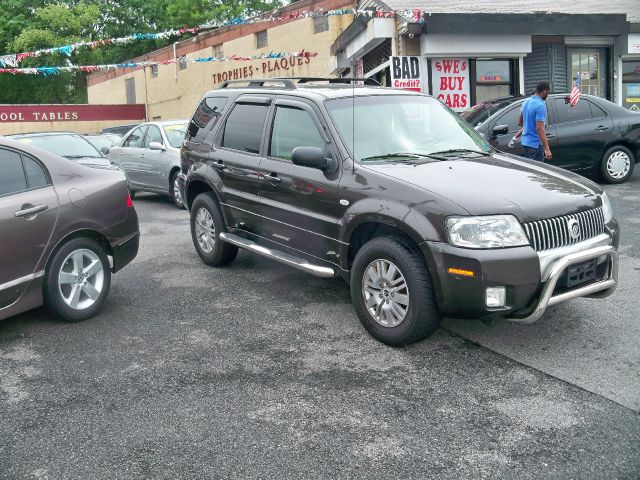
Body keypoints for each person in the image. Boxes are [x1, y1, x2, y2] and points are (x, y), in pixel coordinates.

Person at [518, 81, 552, 161]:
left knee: (530, 169)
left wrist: (529, 127)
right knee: (538, 171)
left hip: (525, 142)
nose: (547, 95)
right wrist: (547, 149)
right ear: (544, 92)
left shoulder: (526, 102)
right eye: (548, 92)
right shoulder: (540, 105)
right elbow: (539, 129)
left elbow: (520, 122)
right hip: (535, 144)